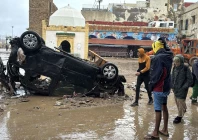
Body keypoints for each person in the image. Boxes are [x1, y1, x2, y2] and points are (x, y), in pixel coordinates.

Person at [144, 40, 173, 139]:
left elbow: (156, 74)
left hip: (159, 88)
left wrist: (151, 85)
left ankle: (155, 132)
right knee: (164, 107)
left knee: (157, 110)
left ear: (156, 47)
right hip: (166, 87)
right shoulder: (169, 56)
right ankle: (165, 129)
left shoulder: (157, 58)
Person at [171, 55, 193, 124]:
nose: (176, 63)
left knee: (180, 101)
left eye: (177, 62)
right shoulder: (174, 67)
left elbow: (190, 80)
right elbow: (172, 76)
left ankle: (179, 116)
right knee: (177, 102)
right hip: (175, 88)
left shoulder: (185, 68)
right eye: (175, 62)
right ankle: (183, 110)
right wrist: (172, 85)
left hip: (182, 89)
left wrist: (184, 87)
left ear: (181, 61)